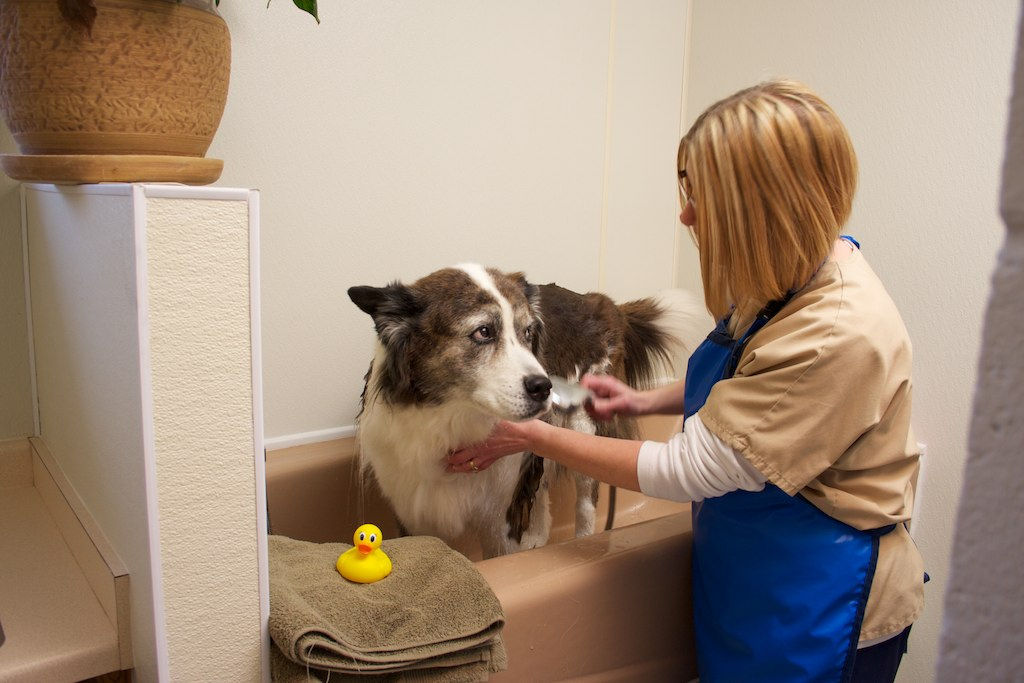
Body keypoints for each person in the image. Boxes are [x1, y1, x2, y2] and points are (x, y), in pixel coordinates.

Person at [447, 79, 924, 682]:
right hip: (751, 571)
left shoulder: (835, 332)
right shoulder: (788, 277)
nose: (685, 214)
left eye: (704, 198)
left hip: (819, 598)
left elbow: (683, 472)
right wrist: (646, 397)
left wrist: (530, 436)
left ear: (766, 205)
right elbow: (749, 385)